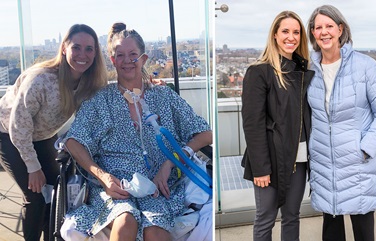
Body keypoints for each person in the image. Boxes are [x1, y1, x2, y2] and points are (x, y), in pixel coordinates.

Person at [61, 22, 212, 241]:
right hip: (116, 189)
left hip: (159, 188)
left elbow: (205, 133)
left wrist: (171, 162)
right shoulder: (100, 100)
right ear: (112, 60)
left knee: (156, 231)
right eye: (120, 55)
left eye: (133, 54)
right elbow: (73, 141)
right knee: (125, 222)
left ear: (143, 59)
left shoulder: (163, 96)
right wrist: (104, 177)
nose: (127, 60)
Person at [0, 24, 107, 241]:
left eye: (89, 49)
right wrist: (33, 167)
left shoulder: (87, 82)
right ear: (64, 48)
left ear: (96, 53)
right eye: (76, 47)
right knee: (36, 195)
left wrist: (149, 83)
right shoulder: (40, 80)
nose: (82, 55)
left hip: (41, 136)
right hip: (8, 134)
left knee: (58, 191)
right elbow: (18, 127)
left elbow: (107, 104)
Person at [306, 5, 376, 241]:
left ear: (340, 29)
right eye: (318, 27)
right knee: (331, 231)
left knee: (363, 232)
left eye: (329, 26)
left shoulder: (365, 66)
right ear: (313, 33)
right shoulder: (309, 70)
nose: (324, 32)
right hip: (325, 166)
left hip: (357, 165)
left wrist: (366, 148)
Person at [241, 11, 315, 241]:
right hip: (270, 161)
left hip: (299, 158)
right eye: (285, 31)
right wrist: (261, 168)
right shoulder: (259, 72)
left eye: (296, 32)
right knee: (265, 218)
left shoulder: (302, 71)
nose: (291, 37)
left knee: (292, 215)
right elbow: (253, 124)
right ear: (274, 35)